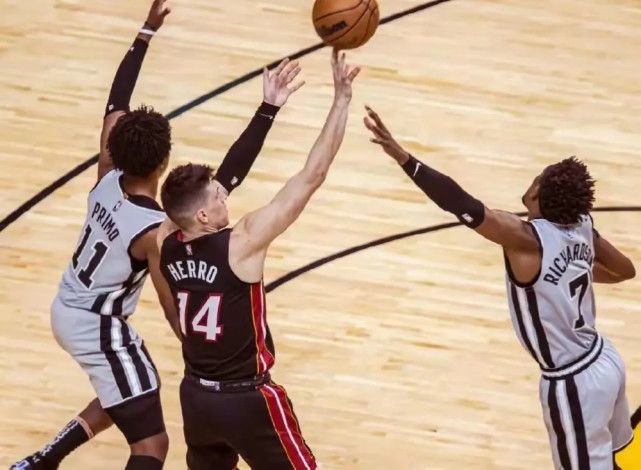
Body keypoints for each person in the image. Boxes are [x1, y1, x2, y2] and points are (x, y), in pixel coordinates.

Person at [11, 1, 303, 468]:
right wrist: (202, 352)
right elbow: (174, 307)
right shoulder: (155, 231)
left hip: (68, 303)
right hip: (98, 324)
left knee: (131, 391)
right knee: (152, 444)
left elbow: (116, 103)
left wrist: (144, 33)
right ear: (164, 162)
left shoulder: (107, 173)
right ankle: (41, 461)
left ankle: (43, 460)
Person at [363, 106, 636, 469]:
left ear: (537, 194)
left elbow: (461, 204)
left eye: (538, 177)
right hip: (605, 359)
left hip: (574, 381)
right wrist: (576, 268)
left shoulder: (525, 239)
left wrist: (404, 158)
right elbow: (625, 270)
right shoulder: (582, 224)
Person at [156, 49, 359, 470]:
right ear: (203, 216)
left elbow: (212, 186)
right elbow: (312, 175)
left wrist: (268, 109)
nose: (225, 192)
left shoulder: (166, 242)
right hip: (246, 399)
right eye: (217, 194)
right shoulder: (242, 243)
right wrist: (341, 101)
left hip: (196, 398)